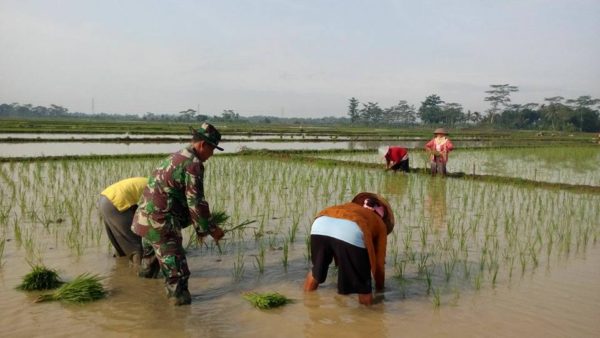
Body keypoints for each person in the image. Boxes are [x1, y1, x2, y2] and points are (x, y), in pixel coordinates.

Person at [131, 122, 225, 306]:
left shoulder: (175, 156)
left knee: (149, 267)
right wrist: (211, 229)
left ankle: (143, 304)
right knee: (178, 277)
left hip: (144, 220)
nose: (212, 155)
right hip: (161, 224)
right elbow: (195, 202)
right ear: (203, 145)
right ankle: (177, 321)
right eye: (212, 149)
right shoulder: (193, 164)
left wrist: (199, 226)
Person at [303, 192, 395, 306]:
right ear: (383, 216)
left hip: (320, 223)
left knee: (317, 271)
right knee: (363, 285)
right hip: (351, 229)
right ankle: (368, 317)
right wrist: (380, 289)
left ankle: (306, 303)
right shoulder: (380, 224)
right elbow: (379, 264)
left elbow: (338, 242)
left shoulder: (349, 207)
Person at [98, 177, 147, 262]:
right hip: (117, 201)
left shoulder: (153, 181)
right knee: (135, 244)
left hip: (104, 198)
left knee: (119, 243)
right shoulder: (161, 189)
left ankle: (120, 270)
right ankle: (137, 272)